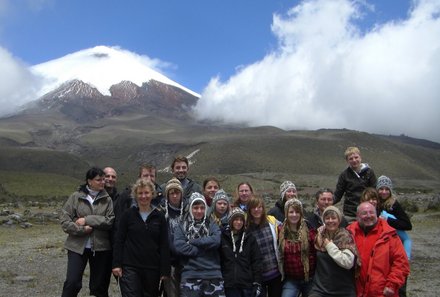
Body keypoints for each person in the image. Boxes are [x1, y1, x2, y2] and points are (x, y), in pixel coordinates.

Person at [60, 167, 114, 297]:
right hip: (77, 246)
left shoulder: (107, 199)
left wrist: (86, 219)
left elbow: (109, 221)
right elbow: (64, 220)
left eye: (103, 179)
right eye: (98, 180)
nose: (103, 182)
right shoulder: (75, 197)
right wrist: (81, 229)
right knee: (72, 283)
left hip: (101, 247)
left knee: (99, 286)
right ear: (89, 181)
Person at [112, 178, 170, 297]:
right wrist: (116, 264)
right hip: (130, 267)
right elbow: (119, 241)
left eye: (147, 193)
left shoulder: (159, 217)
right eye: (140, 193)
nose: (143, 196)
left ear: (152, 194)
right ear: (135, 195)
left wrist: (165, 270)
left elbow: (164, 244)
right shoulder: (127, 215)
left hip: (152, 268)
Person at [347, 202, 410, 297]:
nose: (368, 216)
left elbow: (401, 262)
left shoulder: (389, 234)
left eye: (371, 212)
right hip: (355, 291)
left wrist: (392, 285)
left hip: (382, 292)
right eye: (364, 213)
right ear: (357, 216)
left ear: (376, 213)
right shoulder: (349, 233)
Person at [173, 192, 225, 297]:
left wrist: (193, 242)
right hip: (190, 275)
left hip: (213, 274)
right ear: (190, 208)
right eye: (195, 208)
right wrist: (205, 249)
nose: (199, 211)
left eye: (202, 208)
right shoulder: (182, 226)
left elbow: (216, 241)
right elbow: (179, 247)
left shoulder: (212, 224)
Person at [309, 206, 359, 297]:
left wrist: (329, 246)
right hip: (320, 289)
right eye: (327, 218)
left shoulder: (345, 237)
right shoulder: (319, 236)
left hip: (343, 289)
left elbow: (348, 262)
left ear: (339, 221)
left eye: (333, 218)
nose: (330, 221)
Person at [376, 176, 412, 297]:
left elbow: (407, 224)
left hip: (399, 245)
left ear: (390, 190)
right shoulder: (376, 203)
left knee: (399, 281)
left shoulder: (394, 204)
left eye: (387, 189)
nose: (384, 192)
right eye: (381, 189)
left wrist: (388, 220)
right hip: (384, 247)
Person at [220, 207, 262, 297]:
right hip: (229, 284)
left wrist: (257, 282)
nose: (238, 222)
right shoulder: (223, 237)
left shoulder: (250, 238)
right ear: (231, 221)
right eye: (236, 219)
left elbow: (256, 260)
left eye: (241, 220)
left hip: (247, 283)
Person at [279, 199, 316, 297]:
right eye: (291, 212)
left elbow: (317, 250)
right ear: (286, 213)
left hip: (310, 278)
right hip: (291, 279)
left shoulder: (309, 229)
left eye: (297, 212)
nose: (294, 215)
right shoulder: (280, 231)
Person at [246, 196, 282, 297]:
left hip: (275, 274)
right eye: (253, 207)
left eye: (259, 207)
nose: (256, 210)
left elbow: (287, 227)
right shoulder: (246, 229)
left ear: (263, 208)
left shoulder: (271, 222)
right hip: (257, 277)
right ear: (249, 210)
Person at [334, 146, 377, 222]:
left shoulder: (369, 172)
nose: (354, 160)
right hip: (350, 215)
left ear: (360, 157)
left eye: (356, 157)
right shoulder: (344, 175)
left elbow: (374, 193)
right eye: (351, 159)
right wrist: (326, 204)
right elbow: (337, 195)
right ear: (347, 161)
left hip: (367, 213)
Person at [160, 177, 185, 297]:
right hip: (169, 262)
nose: (175, 196)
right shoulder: (161, 213)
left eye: (177, 192)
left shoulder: (188, 212)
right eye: (172, 193)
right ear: (167, 195)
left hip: (186, 261)